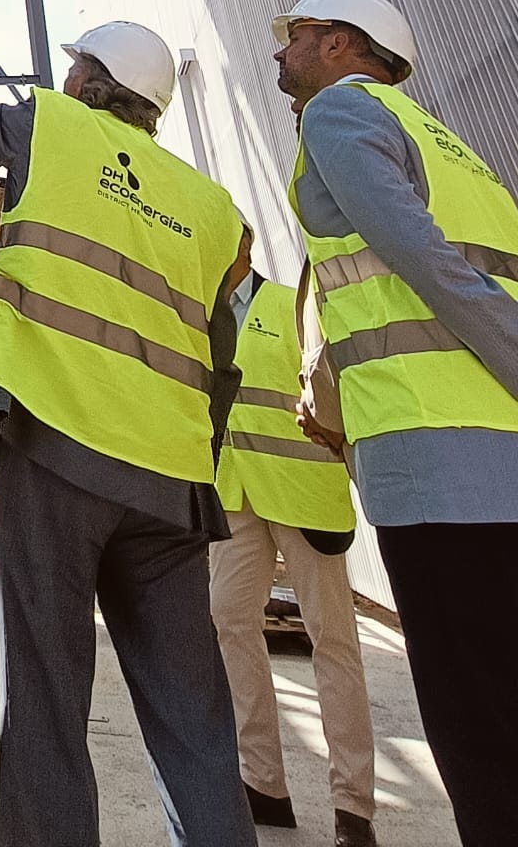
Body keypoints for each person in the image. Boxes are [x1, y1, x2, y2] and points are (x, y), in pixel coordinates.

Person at [0, 22, 255, 847]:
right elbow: (224, 362)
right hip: (170, 487)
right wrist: (193, 467)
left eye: (76, 68)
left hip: (59, 453)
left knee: (45, 696)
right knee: (195, 717)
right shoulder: (212, 210)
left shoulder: (54, 131)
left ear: (91, 83)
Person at [274, 0, 518, 847]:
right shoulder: (455, 147)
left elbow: (425, 262)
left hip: (436, 464)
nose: (280, 53)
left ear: (340, 44)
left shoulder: (339, 115)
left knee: (477, 721)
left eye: (294, 36)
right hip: (495, 461)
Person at [210, 261, 376, 844]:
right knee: (230, 620)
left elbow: (331, 390)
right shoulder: (201, 317)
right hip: (240, 497)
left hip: (304, 496)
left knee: (333, 643)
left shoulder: (289, 304)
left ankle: (353, 807)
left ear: (241, 251)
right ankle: (263, 782)